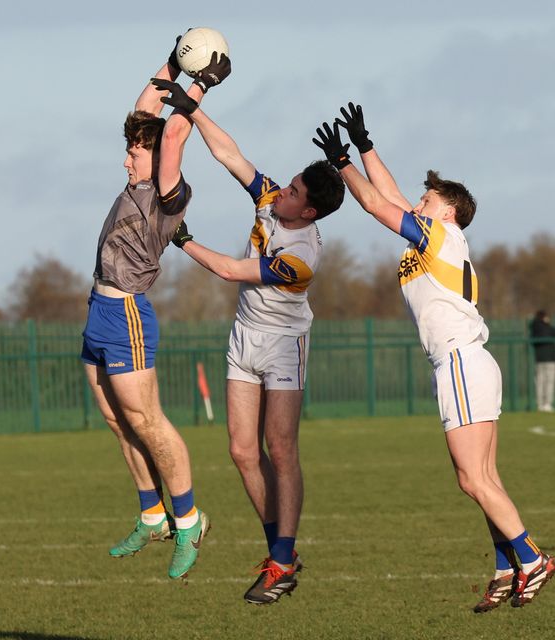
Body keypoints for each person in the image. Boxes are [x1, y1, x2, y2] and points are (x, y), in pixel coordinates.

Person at [313, 103, 555, 611]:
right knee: (482, 478)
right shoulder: (439, 238)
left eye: (428, 199)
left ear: (447, 211)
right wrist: (364, 145)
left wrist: (341, 163)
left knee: (472, 479)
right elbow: (393, 197)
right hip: (469, 362)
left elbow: (380, 207)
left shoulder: (440, 234)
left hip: (461, 363)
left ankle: (531, 558)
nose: (418, 203)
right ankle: (504, 564)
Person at [151, 78, 345, 603]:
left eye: (296, 192)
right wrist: (192, 108)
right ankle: (280, 552)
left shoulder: (301, 255)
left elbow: (231, 270)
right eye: (292, 183)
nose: (285, 190)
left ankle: (282, 558)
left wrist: (181, 236)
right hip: (244, 335)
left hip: (284, 343)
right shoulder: (272, 198)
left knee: (280, 447)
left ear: (308, 212)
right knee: (241, 451)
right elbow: (229, 154)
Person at [81, 38, 229, 580]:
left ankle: (189, 520)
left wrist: (201, 81)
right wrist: (173, 56)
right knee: (118, 422)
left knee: (148, 421)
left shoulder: (169, 190)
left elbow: (171, 129)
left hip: (126, 317)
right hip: (97, 310)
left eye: (134, 153)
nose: (126, 158)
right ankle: (153, 515)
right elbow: (145, 112)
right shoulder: (139, 171)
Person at [529, 311, 555, 412]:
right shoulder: (547, 327)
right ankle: (547, 404)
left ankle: (540, 404)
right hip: (550, 359)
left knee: (540, 382)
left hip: (539, 360)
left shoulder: (533, 328)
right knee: (549, 382)